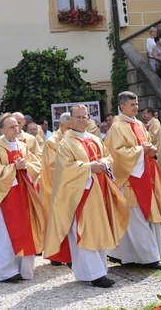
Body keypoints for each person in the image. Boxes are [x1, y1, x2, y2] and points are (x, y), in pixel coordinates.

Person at [45, 104, 129, 288]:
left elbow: (108, 157)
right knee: (86, 231)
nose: (83, 120)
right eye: (79, 117)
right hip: (82, 193)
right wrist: (88, 167)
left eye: (85, 117)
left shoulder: (94, 138)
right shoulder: (66, 143)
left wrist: (103, 163)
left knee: (100, 229)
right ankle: (95, 275)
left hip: (100, 191)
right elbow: (64, 169)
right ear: (71, 120)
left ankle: (91, 271)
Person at [0, 114, 45, 282]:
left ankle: (25, 270)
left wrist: (26, 167)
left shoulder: (23, 146)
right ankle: (5, 271)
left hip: (24, 196)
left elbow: (36, 164)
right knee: (5, 235)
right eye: (12, 126)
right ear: (2, 130)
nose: (16, 128)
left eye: (17, 125)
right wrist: (14, 167)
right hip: (5, 198)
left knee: (25, 231)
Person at [105, 91, 161, 269]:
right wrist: (142, 150)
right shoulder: (117, 127)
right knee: (135, 218)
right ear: (122, 106)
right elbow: (117, 153)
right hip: (129, 179)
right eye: (132, 104)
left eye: (137, 103)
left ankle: (122, 254)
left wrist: (150, 149)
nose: (137, 107)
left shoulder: (139, 124)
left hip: (144, 174)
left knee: (137, 218)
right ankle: (150, 258)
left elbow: (146, 143)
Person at [40, 112, 71, 216]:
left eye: (72, 128)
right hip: (60, 186)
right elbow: (51, 166)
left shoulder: (76, 138)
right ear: (60, 125)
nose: (70, 131)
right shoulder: (51, 142)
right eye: (68, 128)